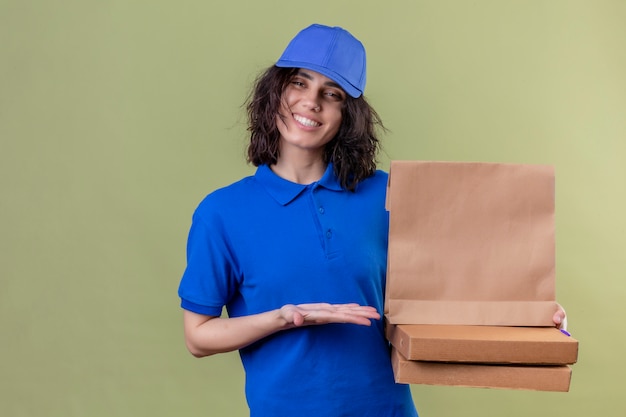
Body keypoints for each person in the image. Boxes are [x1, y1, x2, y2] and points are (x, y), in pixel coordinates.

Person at [178, 23, 567, 417]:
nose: (311, 102)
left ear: (348, 114)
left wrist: (529, 313)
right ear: (275, 91)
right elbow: (198, 336)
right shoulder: (222, 212)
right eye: (299, 83)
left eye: (332, 94)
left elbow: (457, 283)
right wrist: (284, 317)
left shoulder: (388, 195)